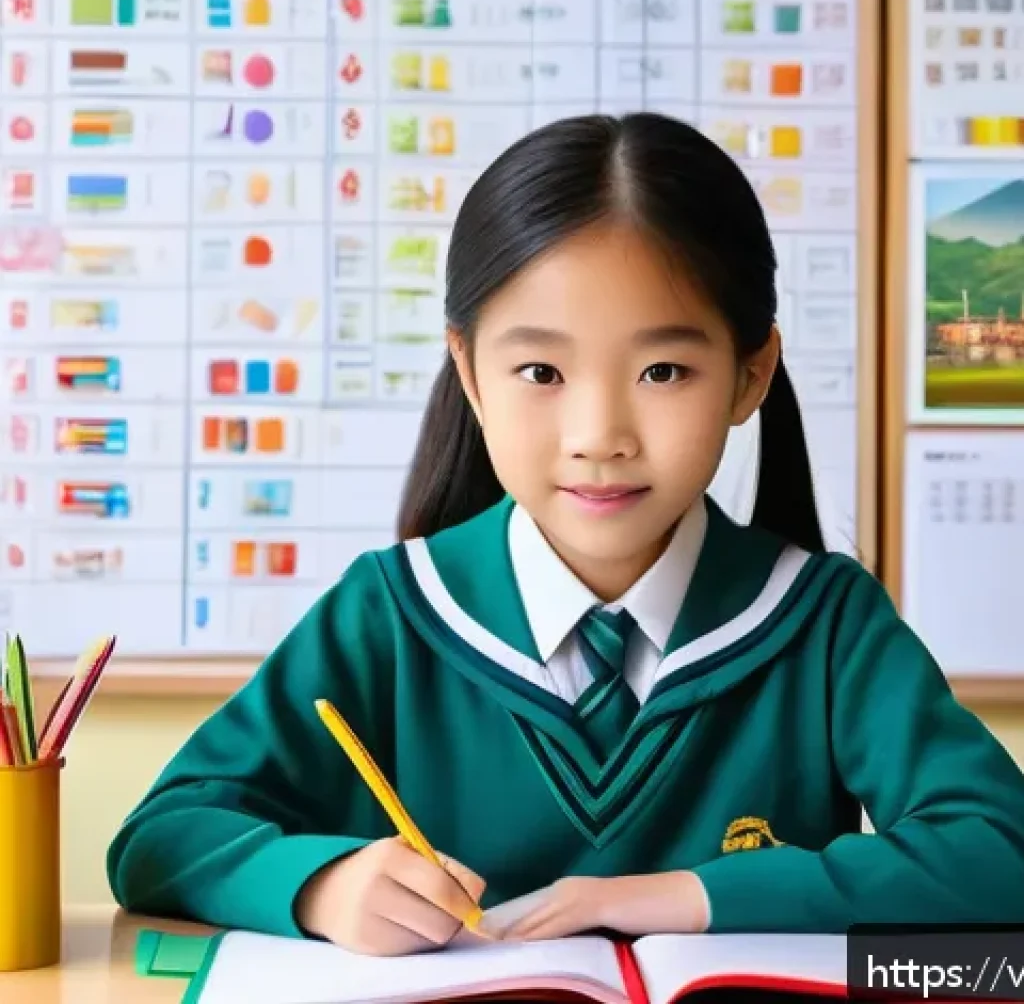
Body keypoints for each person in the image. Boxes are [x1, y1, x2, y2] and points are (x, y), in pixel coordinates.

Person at [107, 113, 1024, 956]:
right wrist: (321, 887)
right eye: (540, 369)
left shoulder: (825, 622)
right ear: (469, 371)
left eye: (664, 370)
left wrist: (688, 896)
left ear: (751, 375)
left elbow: (997, 851)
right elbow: (163, 838)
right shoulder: (389, 611)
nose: (600, 435)